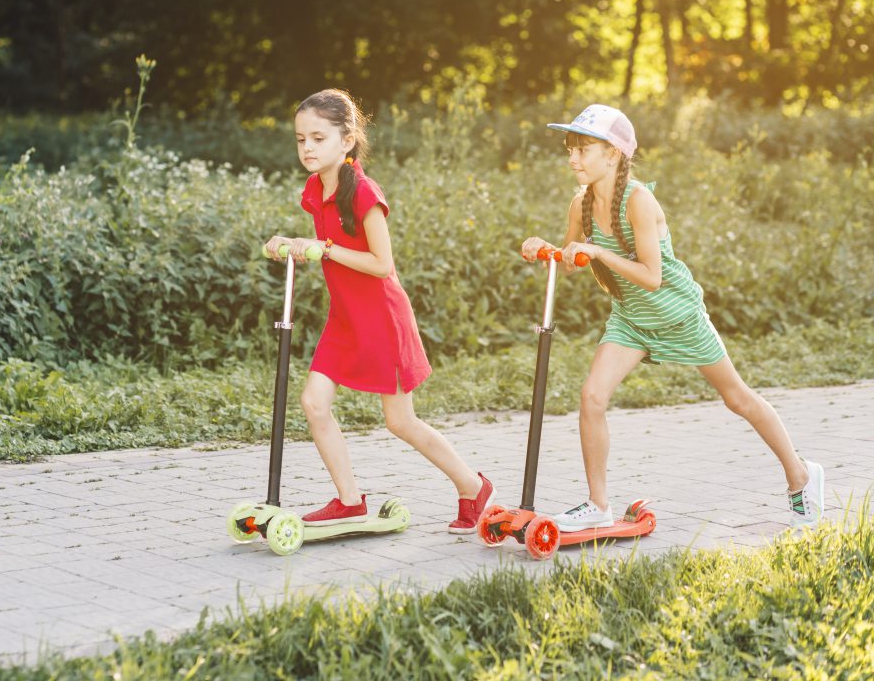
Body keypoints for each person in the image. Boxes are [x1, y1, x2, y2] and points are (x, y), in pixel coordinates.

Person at [521, 104, 824, 531]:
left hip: (678, 314)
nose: (572, 158)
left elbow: (651, 276)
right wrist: (548, 249)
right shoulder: (581, 204)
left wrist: (601, 252)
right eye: (570, 148)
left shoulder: (640, 201)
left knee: (736, 397)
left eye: (582, 148)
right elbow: (573, 260)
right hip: (631, 319)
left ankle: (801, 474)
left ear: (613, 155)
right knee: (592, 397)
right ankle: (598, 505)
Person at [264, 89, 494, 534]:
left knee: (400, 421)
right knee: (314, 403)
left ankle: (473, 486)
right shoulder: (315, 189)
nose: (307, 148)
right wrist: (291, 245)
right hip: (345, 318)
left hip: (382, 318)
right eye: (300, 139)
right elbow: (323, 247)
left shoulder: (364, 193)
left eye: (318, 137)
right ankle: (350, 502)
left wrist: (321, 250)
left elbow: (381, 264)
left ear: (347, 140)